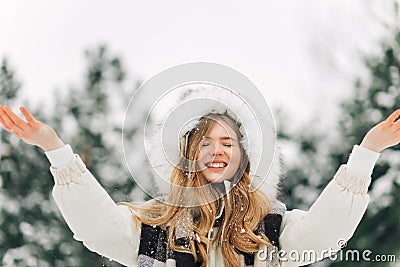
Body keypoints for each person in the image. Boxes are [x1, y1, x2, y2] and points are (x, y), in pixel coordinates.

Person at [0, 103, 399, 267]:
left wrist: (368, 152)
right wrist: (55, 150)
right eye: (204, 143)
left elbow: (325, 234)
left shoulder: (272, 227)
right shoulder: (155, 225)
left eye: (227, 143)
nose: (216, 151)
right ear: (189, 156)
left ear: (245, 157)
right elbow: (98, 226)